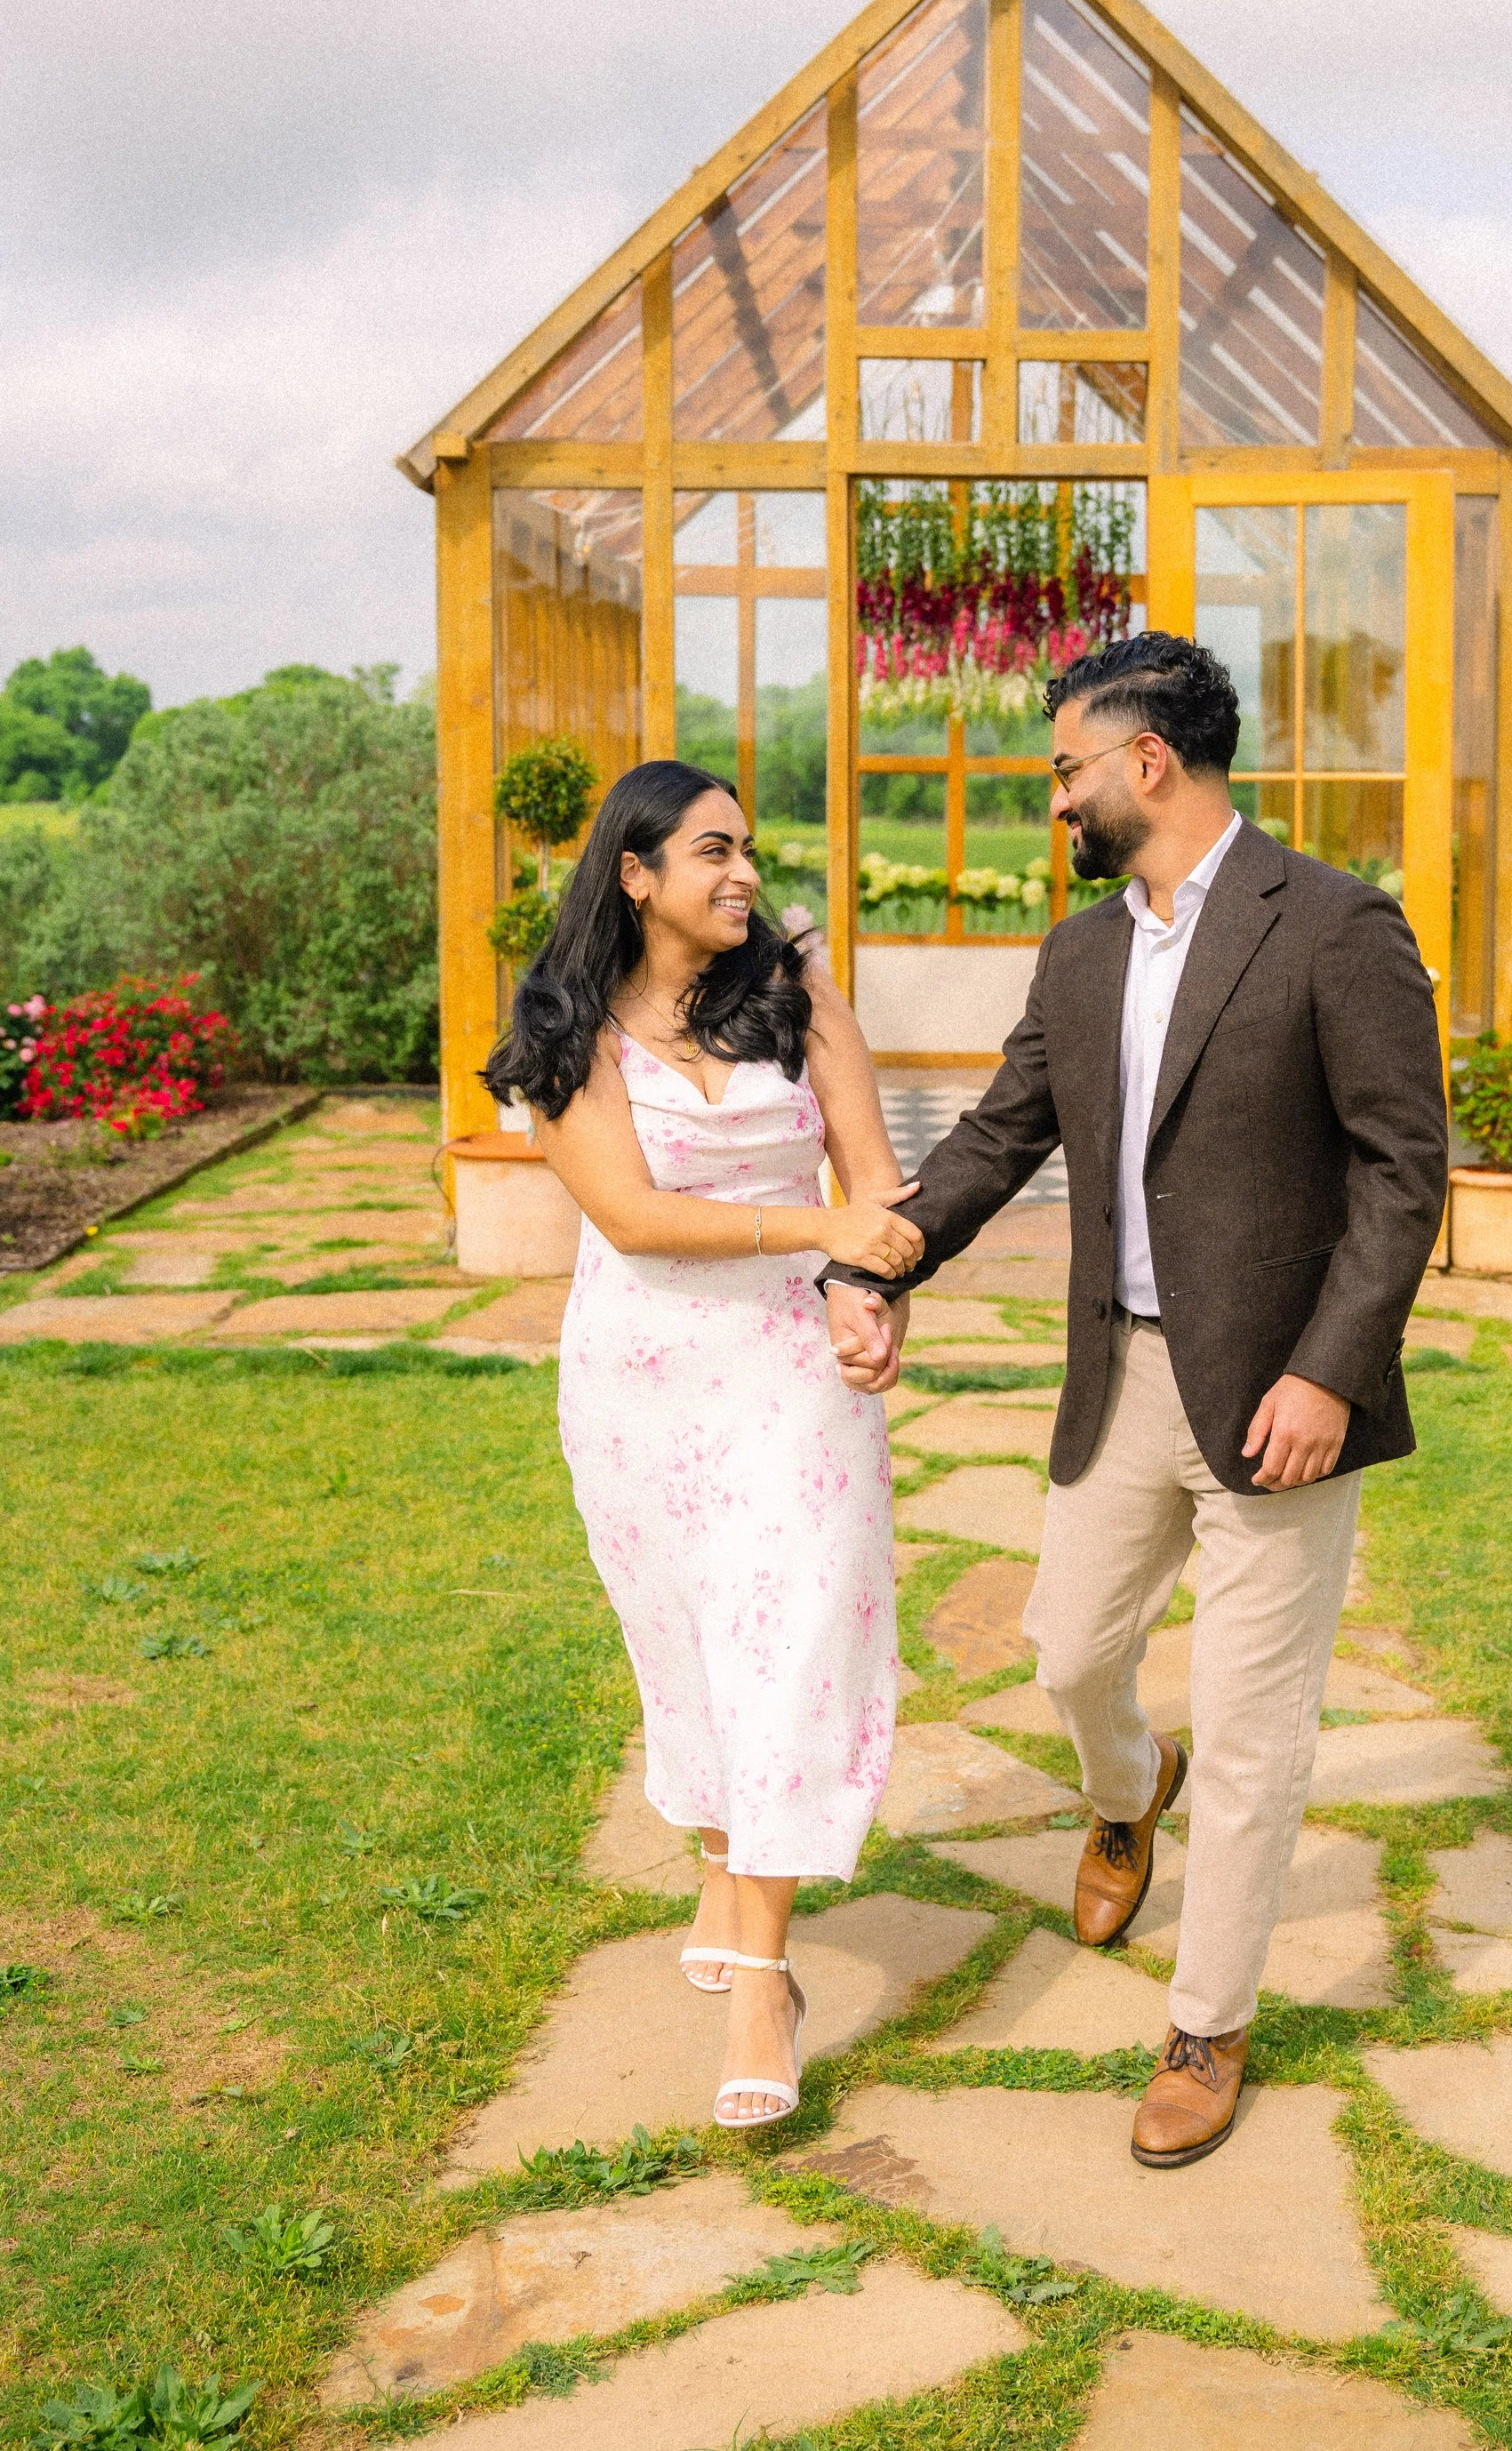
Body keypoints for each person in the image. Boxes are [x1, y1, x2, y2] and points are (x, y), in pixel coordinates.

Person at [827, 632, 1449, 2167]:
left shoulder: (1334, 926)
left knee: (1253, 1732)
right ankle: (1126, 1785)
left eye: (1066, 768)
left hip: (1280, 1400)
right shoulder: (1084, 951)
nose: (1057, 799)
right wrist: (888, 1252)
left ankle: (1209, 2023)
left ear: (1148, 764)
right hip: (1123, 1372)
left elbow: (1402, 1168)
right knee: (1064, 1651)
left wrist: (1330, 1367)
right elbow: (998, 1132)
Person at [487, 758, 924, 2132]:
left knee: (785, 1642)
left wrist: (874, 1295)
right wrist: (819, 1236)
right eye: (712, 851)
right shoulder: (566, 1023)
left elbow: (881, 1189)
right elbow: (629, 1212)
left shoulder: (796, 995)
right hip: (644, 1387)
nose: (744, 873)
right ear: (636, 872)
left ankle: (763, 1979)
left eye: (748, 848)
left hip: (796, 1377)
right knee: (688, 1650)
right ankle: (728, 1858)